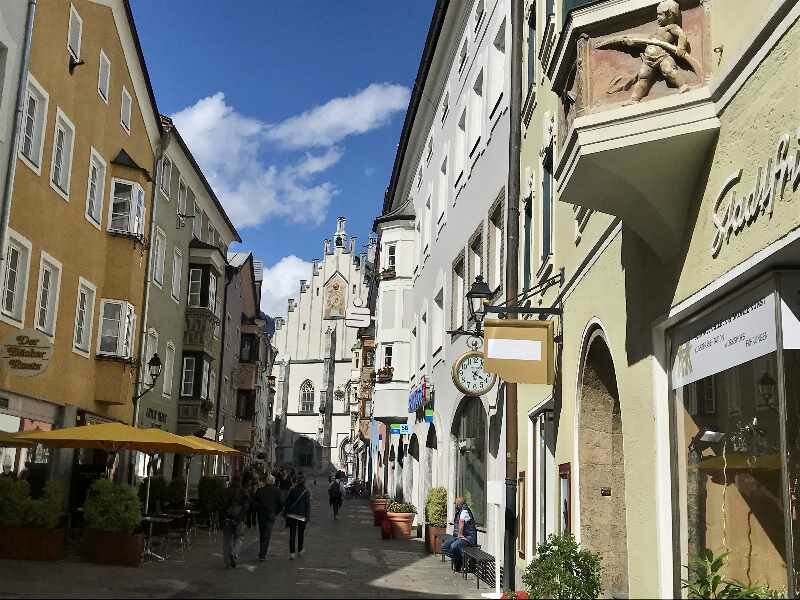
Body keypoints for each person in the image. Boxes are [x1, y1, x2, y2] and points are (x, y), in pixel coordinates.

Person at [442, 496, 478, 572]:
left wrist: (460, 534)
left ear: (458, 504)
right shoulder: (460, 510)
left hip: (468, 537)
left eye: (455, 503)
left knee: (454, 546)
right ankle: (460, 561)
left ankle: (460, 564)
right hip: (459, 537)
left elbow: (461, 522)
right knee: (445, 546)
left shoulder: (464, 511)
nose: (454, 504)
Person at [220, 476, 249, 569]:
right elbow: (246, 506)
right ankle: (234, 553)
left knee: (226, 540)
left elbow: (222, 505)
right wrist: (240, 518)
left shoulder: (226, 491)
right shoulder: (243, 492)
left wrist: (224, 516)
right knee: (239, 537)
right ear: (240, 481)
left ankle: (226, 561)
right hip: (238, 518)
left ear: (232, 481)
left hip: (227, 517)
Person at [253, 474, 284, 561]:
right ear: (273, 482)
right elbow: (281, 504)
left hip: (261, 515)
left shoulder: (260, 490)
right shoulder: (277, 491)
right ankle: (262, 554)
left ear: (266, 481)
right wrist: (276, 512)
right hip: (271, 515)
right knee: (267, 535)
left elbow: (254, 502)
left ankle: (262, 553)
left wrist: (258, 508)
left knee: (262, 534)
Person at [283, 474, 311, 559]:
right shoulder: (306, 492)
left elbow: (287, 502)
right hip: (302, 516)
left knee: (292, 534)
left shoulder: (292, 490)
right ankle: (300, 549)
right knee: (300, 534)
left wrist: (285, 513)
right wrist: (307, 516)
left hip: (292, 515)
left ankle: (292, 553)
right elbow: (307, 505)